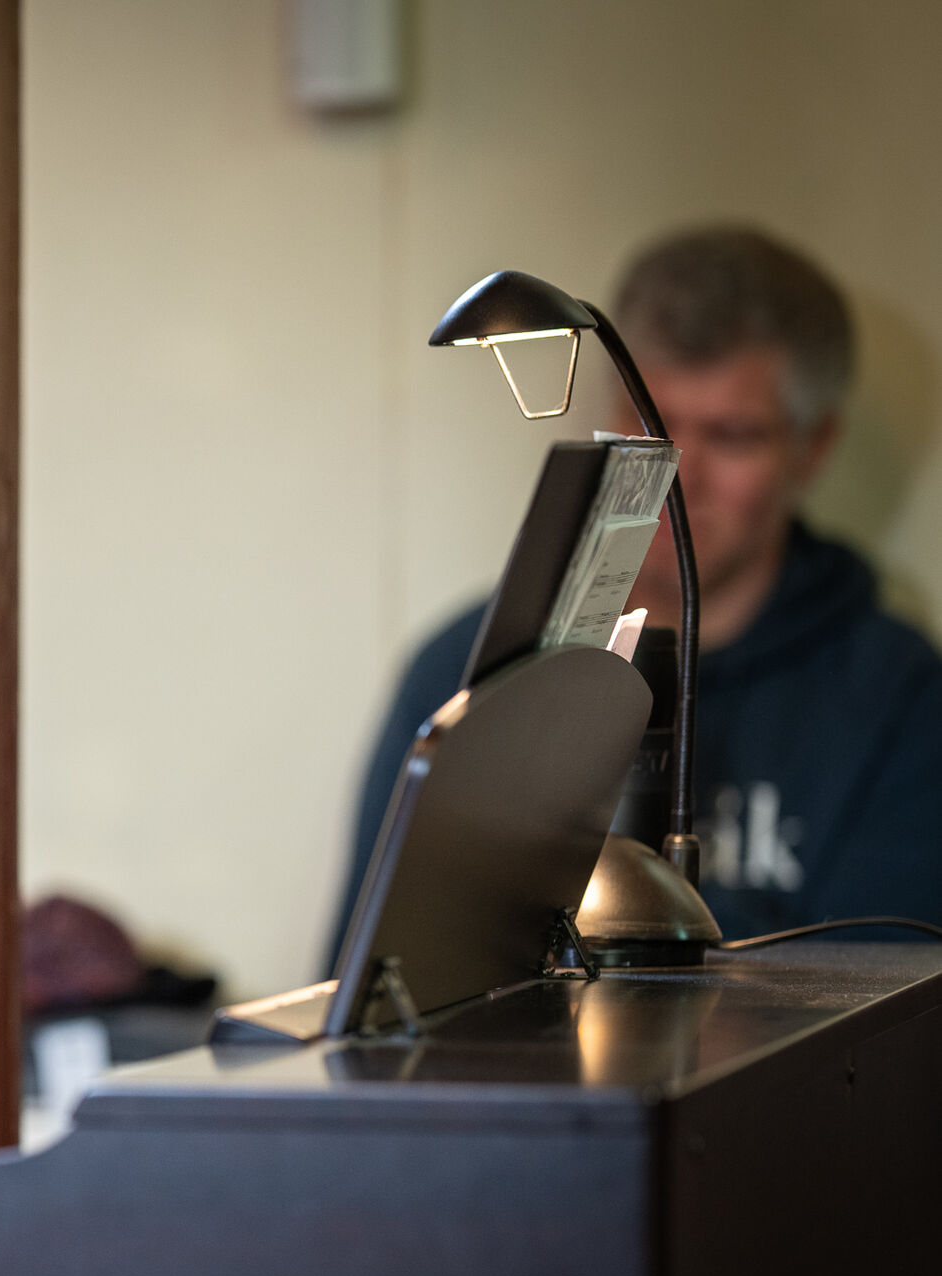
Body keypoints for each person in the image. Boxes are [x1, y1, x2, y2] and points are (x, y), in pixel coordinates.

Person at [334, 227, 942, 950]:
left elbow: (886, 1012)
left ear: (813, 447)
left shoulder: (897, 700)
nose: (676, 471)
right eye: (644, 418)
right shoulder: (465, 668)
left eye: (731, 435)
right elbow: (362, 978)